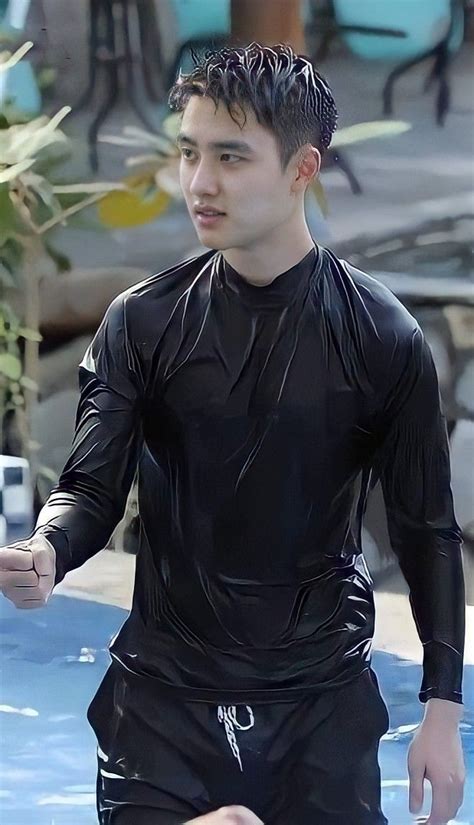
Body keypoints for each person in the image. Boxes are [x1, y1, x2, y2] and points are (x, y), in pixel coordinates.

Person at [0, 43, 466, 825]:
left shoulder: (381, 337)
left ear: (301, 168)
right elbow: (89, 486)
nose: (199, 182)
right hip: (162, 705)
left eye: (230, 157)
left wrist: (444, 714)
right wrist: (48, 547)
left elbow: (426, 530)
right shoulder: (144, 322)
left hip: (318, 704)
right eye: (188, 152)